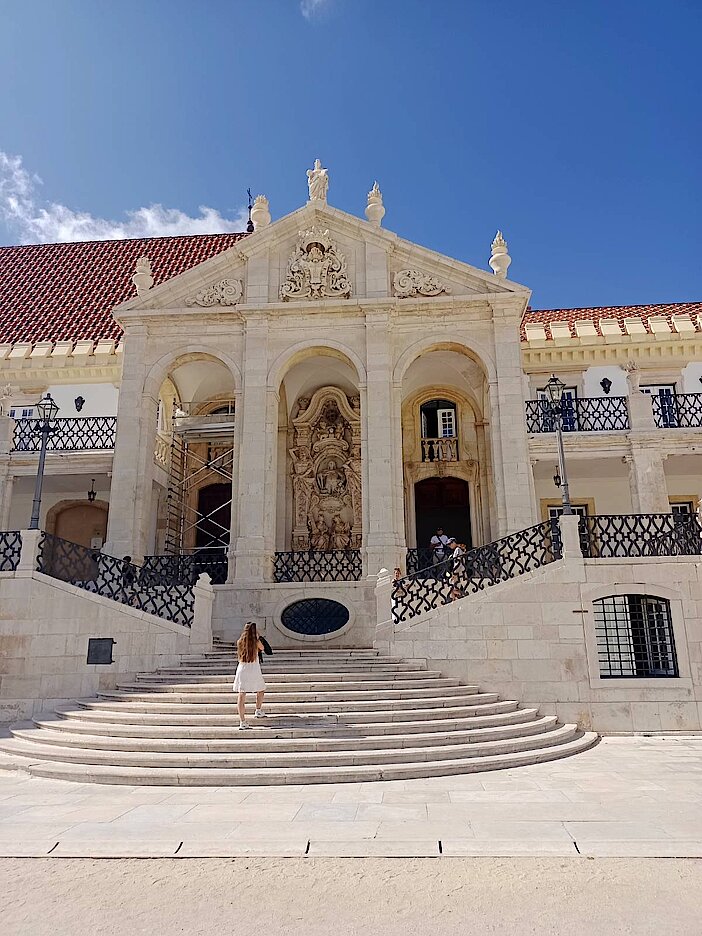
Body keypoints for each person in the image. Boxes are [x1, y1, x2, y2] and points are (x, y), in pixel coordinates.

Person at [233, 621, 267, 730]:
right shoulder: (256, 642)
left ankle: (242, 721)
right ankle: (258, 710)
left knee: (241, 695)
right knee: (260, 689)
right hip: (253, 669)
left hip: (242, 668)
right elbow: (263, 648)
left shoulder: (240, 642)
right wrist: (259, 635)